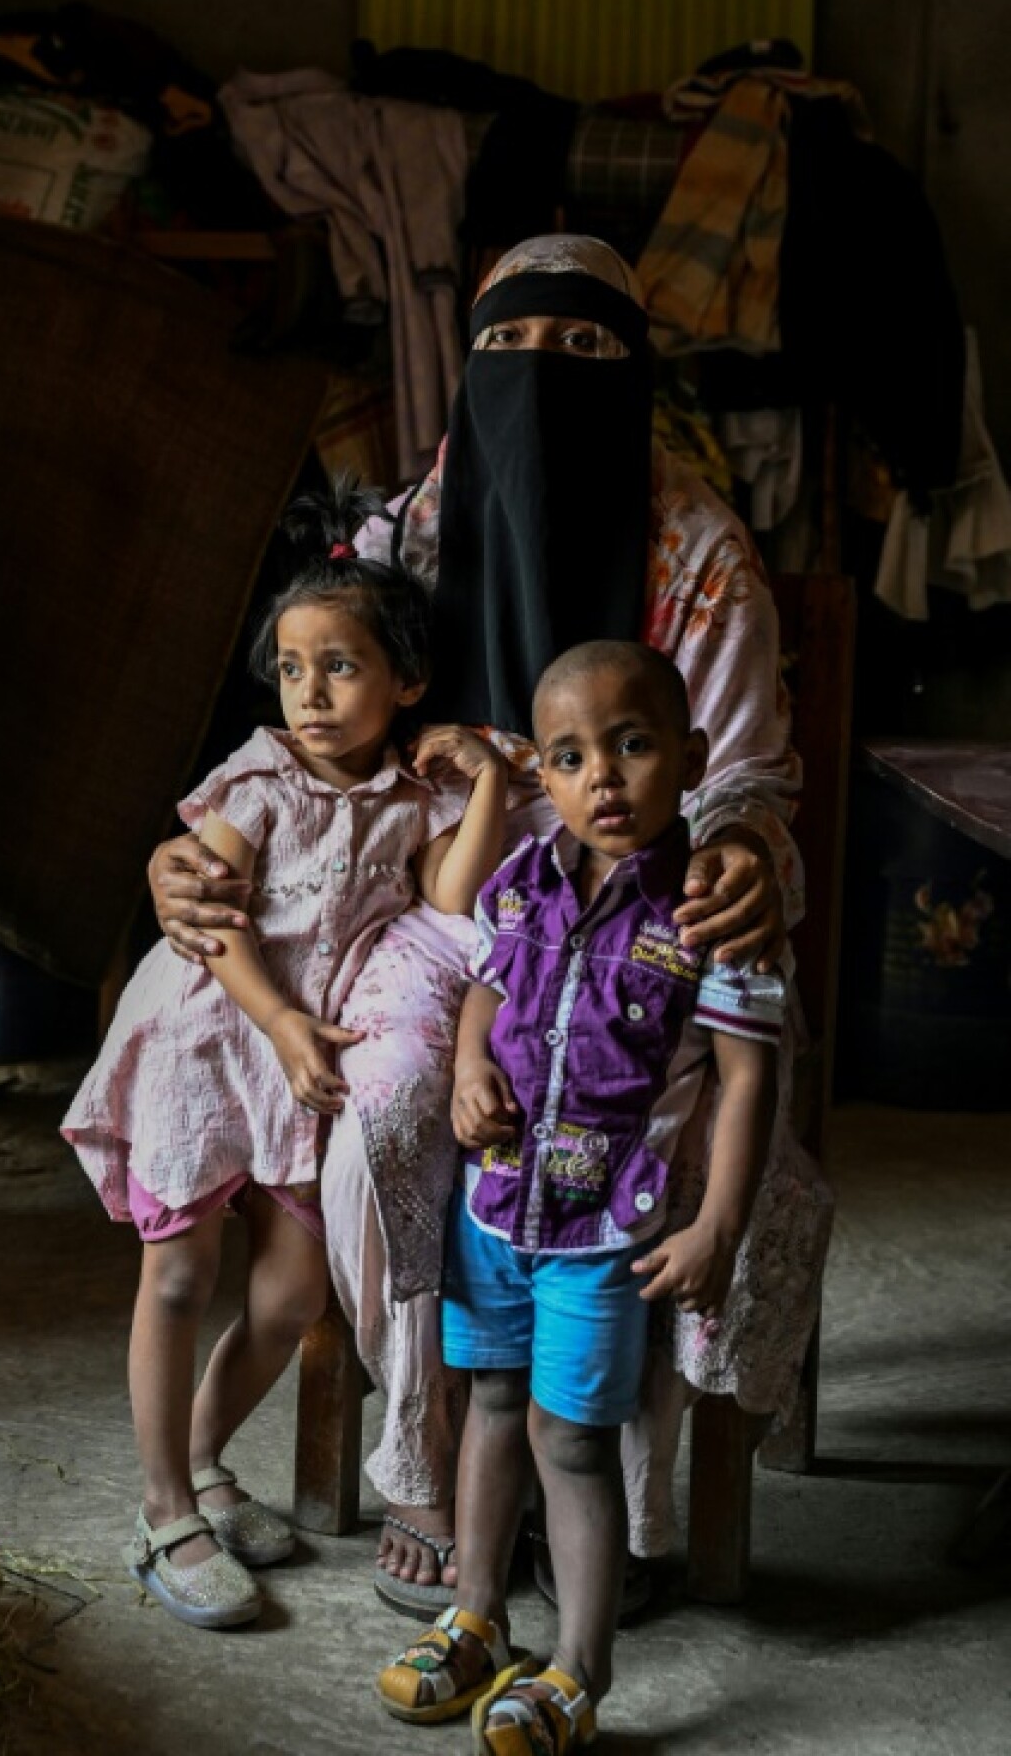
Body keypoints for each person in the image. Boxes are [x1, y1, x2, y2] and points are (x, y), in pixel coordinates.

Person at [147, 236, 832, 1616]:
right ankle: (428, 1462)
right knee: (385, 1111)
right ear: (466, 372)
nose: (543, 382)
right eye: (509, 350)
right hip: (437, 919)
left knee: (656, 1137)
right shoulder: (409, 530)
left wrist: (748, 846)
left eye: (586, 353)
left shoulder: (696, 550)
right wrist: (200, 842)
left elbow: (748, 772)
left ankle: (597, 1489)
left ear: (637, 377)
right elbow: (314, 713)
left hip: (644, 919)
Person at [62, 482, 509, 1629]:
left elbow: (454, 906)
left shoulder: (412, 798)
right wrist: (276, 1019)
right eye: (295, 666)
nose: (311, 692)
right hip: (209, 1043)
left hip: (298, 1063)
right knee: (177, 1274)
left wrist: (490, 785)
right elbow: (211, 927)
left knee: (293, 1289)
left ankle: (207, 1460)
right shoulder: (255, 780)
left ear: (408, 683)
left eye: (343, 666)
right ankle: (165, 1511)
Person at [377, 641, 785, 1749]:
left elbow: (750, 1074)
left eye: (634, 744)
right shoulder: (519, 879)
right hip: (495, 1207)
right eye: (570, 756)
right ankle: (475, 1615)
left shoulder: (710, 911)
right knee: (490, 1408)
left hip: (604, 1229)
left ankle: (577, 1669)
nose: (602, 777)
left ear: (692, 757)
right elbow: (483, 988)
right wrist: (469, 1068)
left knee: (571, 1440)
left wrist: (719, 1226)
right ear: (541, 777)